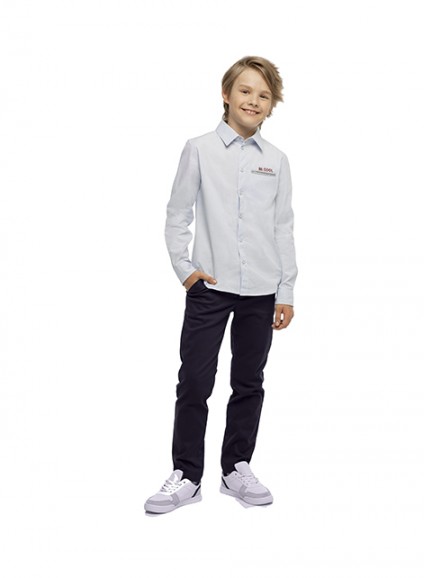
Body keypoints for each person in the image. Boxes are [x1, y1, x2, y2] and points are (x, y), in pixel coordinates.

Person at [144, 56, 297, 514]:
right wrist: (185, 269)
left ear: (271, 106)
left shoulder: (277, 160)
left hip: (262, 291)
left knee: (249, 382)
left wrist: (286, 290)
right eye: (245, 91)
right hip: (209, 288)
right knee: (194, 381)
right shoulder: (198, 149)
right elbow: (177, 214)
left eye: (264, 95)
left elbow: (282, 227)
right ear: (226, 95)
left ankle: (236, 469)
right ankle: (187, 476)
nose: (254, 101)